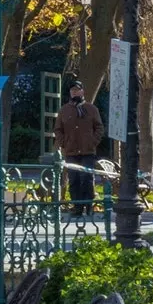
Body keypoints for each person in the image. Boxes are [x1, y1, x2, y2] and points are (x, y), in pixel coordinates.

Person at [53, 81, 106, 209]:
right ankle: (77, 207)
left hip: (87, 151)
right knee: (74, 179)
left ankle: (88, 206)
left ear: (82, 91)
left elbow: (99, 128)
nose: (74, 92)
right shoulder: (64, 110)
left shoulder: (91, 109)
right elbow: (58, 129)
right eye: (72, 90)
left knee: (87, 178)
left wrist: (92, 141)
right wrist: (64, 143)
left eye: (77, 90)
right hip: (71, 151)